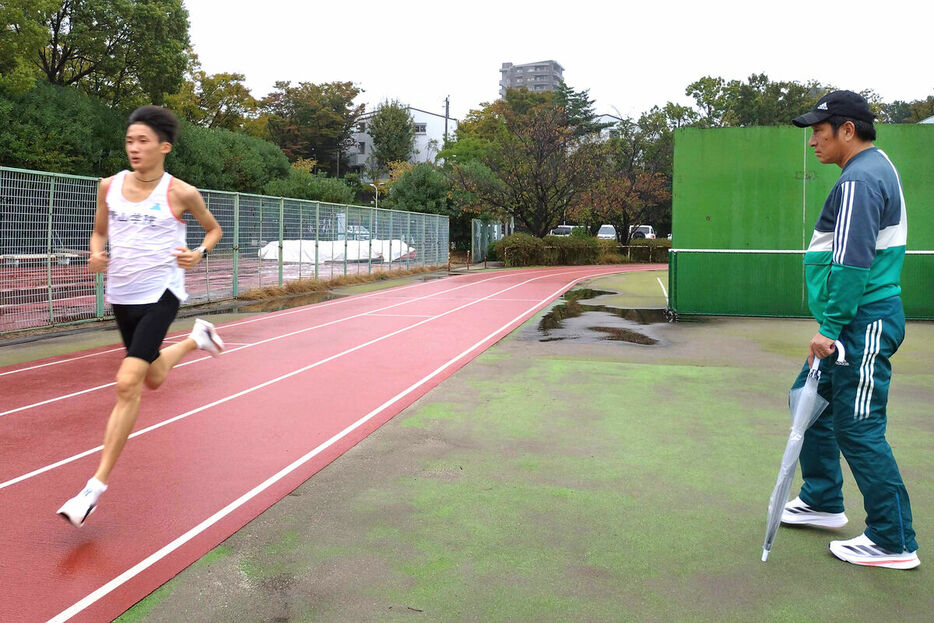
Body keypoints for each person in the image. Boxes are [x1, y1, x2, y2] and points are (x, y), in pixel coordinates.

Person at [57, 106, 225, 528]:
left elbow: (213, 230)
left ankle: (92, 490)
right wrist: (97, 253)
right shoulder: (108, 186)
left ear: (164, 147)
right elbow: (98, 231)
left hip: (162, 293)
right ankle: (195, 339)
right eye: (130, 140)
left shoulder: (181, 192)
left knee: (127, 381)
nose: (134, 147)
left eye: (143, 141)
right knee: (152, 377)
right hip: (122, 296)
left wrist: (198, 253)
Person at [779, 91, 918, 569]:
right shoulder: (872, 170)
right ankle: (821, 501)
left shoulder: (860, 179)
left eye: (819, 130)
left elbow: (853, 261)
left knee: (858, 428)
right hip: (854, 320)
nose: (813, 140)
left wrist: (832, 326)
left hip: (860, 321)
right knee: (807, 401)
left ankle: (893, 540)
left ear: (847, 130)